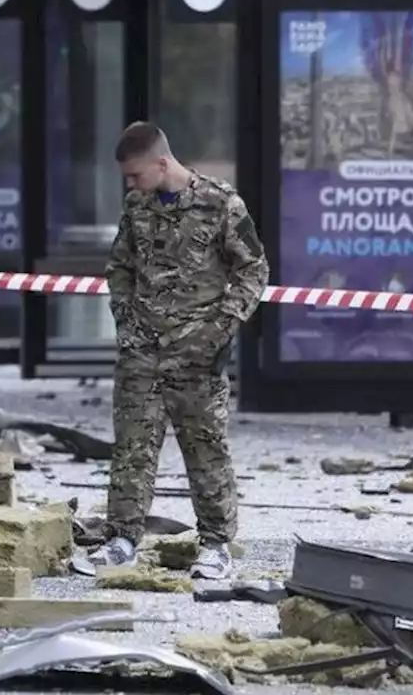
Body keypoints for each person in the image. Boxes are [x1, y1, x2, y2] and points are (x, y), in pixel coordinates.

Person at [74, 121, 269, 580]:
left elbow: (253, 271)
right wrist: (125, 320)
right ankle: (121, 540)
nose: (131, 183)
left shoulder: (221, 203)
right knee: (132, 450)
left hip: (198, 356)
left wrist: (220, 330)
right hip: (142, 354)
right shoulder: (137, 206)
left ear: (162, 163)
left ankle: (216, 545)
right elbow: (119, 266)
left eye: (137, 174)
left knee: (205, 450)